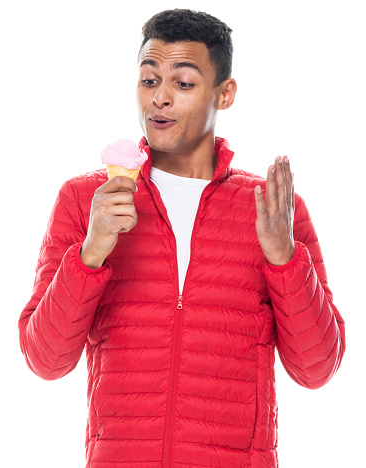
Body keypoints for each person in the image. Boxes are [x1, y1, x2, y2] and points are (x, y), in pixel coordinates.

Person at [18, 8, 345, 468]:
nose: (161, 99)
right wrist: (89, 254)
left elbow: (317, 370)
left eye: (184, 83)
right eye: (149, 81)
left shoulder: (272, 209)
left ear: (225, 94)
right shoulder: (86, 200)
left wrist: (284, 259)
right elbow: (43, 359)